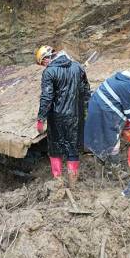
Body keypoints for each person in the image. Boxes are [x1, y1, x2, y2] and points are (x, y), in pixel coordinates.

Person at [35, 45, 91, 188]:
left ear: (47, 58)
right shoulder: (78, 67)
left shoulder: (49, 72)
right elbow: (86, 91)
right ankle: (73, 183)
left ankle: (58, 182)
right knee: (72, 148)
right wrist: (86, 112)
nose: (43, 66)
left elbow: (47, 97)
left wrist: (41, 118)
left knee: (55, 148)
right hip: (75, 116)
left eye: (43, 62)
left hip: (56, 116)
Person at [84, 67, 130, 166]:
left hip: (97, 104)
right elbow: (129, 110)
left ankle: (101, 158)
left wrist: (128, 122)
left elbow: (120, 103)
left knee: (103, 135)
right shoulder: (128, 87)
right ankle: (114, 170)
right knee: (113, 141)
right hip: (103, 110)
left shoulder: (125, 77)